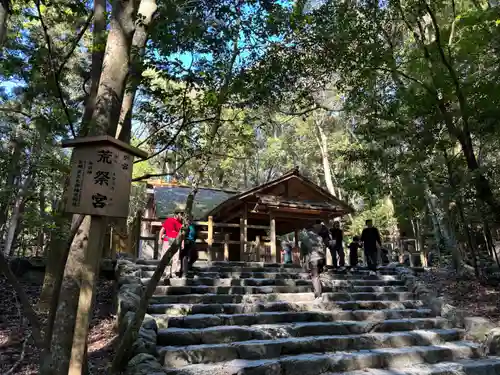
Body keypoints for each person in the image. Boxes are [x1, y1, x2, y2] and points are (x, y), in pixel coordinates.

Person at [301, 221, 327, 301]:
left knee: (315, 276)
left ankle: (318, 295)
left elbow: (305, 249)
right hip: (321, 258)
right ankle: (320, 292)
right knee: (317, 275)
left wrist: (303, 260)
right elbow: (324, 247)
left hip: (314, 258)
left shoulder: (306, 236)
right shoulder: (319, 237)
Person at [158, 211, 183, 277]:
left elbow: (181, 234)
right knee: (166, 256)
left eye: (182, 214)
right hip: (167, 240)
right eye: (181, 214)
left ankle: (173, 272)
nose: (182, 216)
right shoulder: (169, 220)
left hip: (176, 242)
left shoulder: (181, 223)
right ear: (176, 214)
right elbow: (162, 230)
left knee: (175, 257)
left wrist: (182, 243)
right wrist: (160, 238)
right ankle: (166, 272)